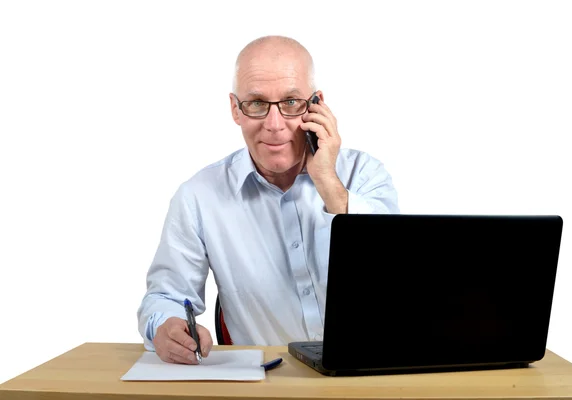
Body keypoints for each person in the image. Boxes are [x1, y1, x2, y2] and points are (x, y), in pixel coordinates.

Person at [136, 35, 400, 365]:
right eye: (257, 103)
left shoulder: (363, 175)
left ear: (317, 105)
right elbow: (165, 297)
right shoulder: (199, 197)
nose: (274, 126)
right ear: (236, 109)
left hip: (373, 375)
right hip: (269, 384)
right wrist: (166, 326)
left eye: (291, 102)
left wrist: (328, 183)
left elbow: (395, 282)